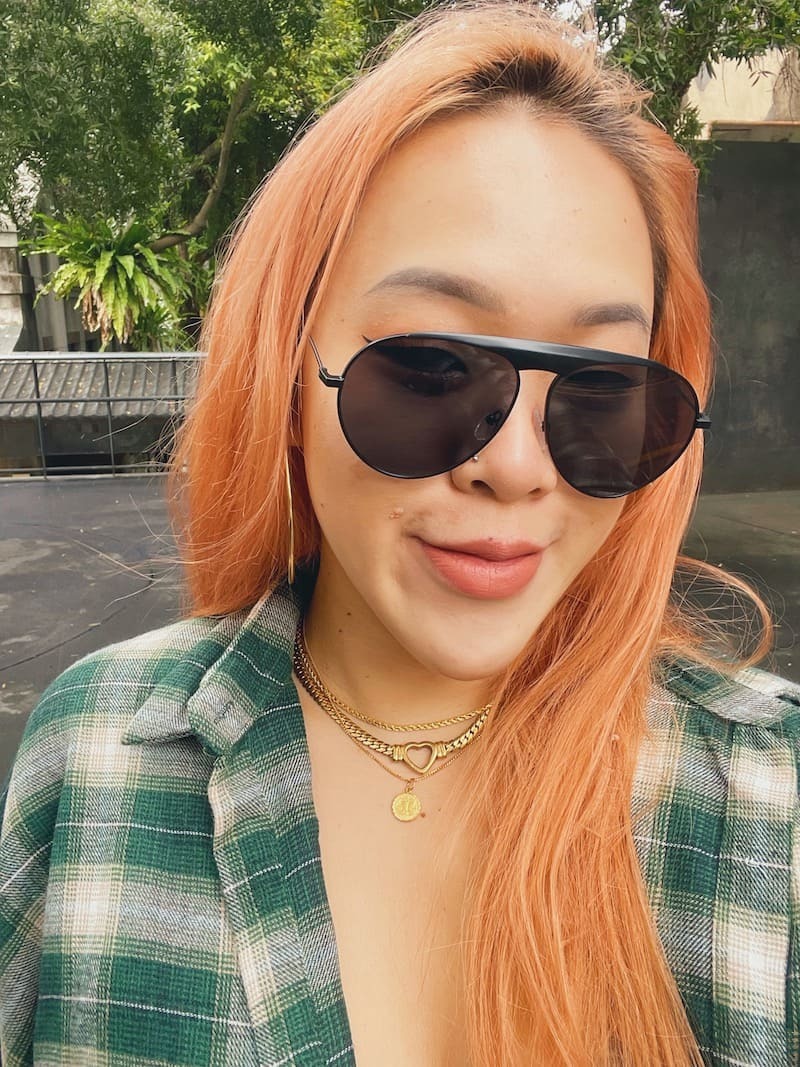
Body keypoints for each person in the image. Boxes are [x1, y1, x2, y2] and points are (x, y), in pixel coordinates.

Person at [1, 2, 798, 1065]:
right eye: (427, 366)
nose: (516, 465)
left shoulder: (765, 797)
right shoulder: (102, 750)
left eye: (603, 386)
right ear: (288, 377)